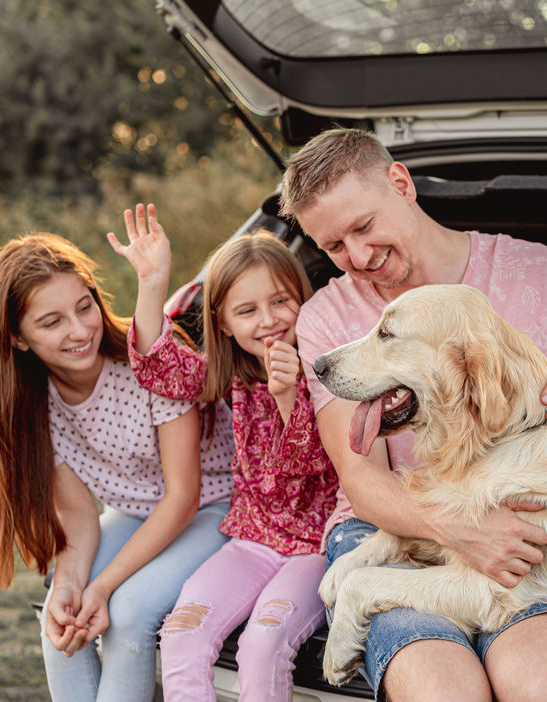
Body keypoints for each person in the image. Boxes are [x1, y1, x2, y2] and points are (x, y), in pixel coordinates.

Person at [284, 128, 547, 702]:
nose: (358, 258)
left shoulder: (530, 271)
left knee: (540, 686)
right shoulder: (326, 318)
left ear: (401, 183)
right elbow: (364, 481)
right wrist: (460, 528)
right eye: (333, 247)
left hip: (523, 526)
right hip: (395, 531)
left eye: (363, 227)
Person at [0, 233, 235, 702]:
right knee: (60, 615)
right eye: (52, 322)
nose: (79, 330)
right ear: (17, 338)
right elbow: (78, 517)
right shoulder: (30, 404)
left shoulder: (148, 363)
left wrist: (101, 587)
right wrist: (71, 584)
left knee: (128, 611)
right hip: (139, 512)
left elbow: (182, 497)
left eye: (85, 307)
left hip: (215, 507)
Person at [108, 204, 338, 702]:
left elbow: (302, 474)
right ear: (225, 323)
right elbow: (159, 370)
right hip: (252, 539)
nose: (270, 321)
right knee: (183, 633)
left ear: (305, 300)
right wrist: (152, 283)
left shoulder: (329, 372)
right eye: (248, 310)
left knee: (262, 644)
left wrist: (287, 396)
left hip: (317, 548)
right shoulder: (231, 373)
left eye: (282, 301)